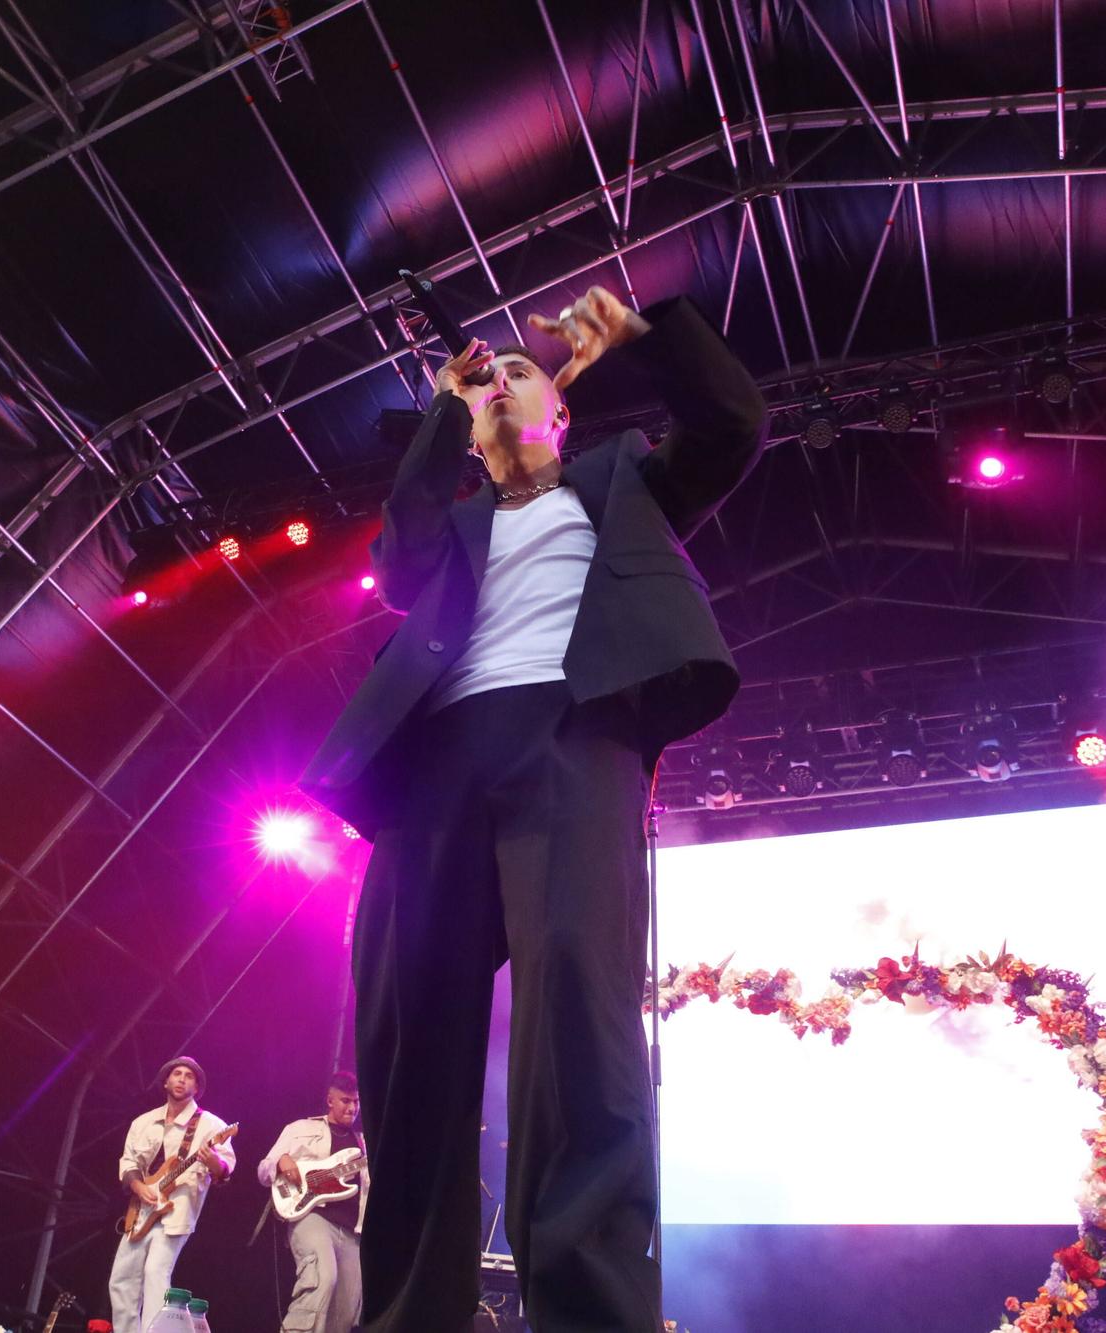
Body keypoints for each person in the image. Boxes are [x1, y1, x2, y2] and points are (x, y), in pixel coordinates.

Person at [301, 287, 768, 1332]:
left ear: (561, 411)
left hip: (573, 736)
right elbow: (397, 549)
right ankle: (408, 1314)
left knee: (576, 1013)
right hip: (435, 763)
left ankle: (589, 1310)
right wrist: (440, 407)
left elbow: (732, 425)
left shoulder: (622, 482)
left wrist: (645, 340)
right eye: (487, 380)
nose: (501, 381)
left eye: (523, 371)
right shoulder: (455, 522)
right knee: (407, 1030)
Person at [109, 1056, 234, 1333]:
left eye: (189, 1076)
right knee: (121, 1278)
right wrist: (138, 1186)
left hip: (178, 1209)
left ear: (197, 1087)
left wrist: (212, 1160)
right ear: (165, 1081)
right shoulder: (143, 1122)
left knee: (156, 1272)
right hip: (142, 1208)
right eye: (176, 1074)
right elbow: (129, 1162)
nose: (182, 1079)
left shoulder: (212, 1125)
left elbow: (224, 1170)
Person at [258, 1072, 367, 1333]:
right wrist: (283, 1162)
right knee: (322, 1278)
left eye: (356, 1102)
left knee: (347, 1304)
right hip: (312, 1217)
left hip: (353, 1231)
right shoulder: (300, 1129)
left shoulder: (364, 1143)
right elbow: (264, 1169)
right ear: (330, 1100)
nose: (351, 1107)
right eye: (345, 1101)